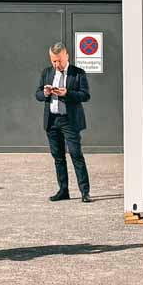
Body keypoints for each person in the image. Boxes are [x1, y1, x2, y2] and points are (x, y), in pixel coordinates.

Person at [37, 42, 91, 203]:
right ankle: (63, 190)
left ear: (66, 56)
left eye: (59, 60)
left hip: (70, 121)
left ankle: (85, 192)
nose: (56, 64)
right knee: (58, 157)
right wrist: (46, 93)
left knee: (76, 155)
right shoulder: (47, 73)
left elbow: (85, 95)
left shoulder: (78, 73)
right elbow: (37, 94)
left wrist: (68, 93)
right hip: (52, 121)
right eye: (53, 61)